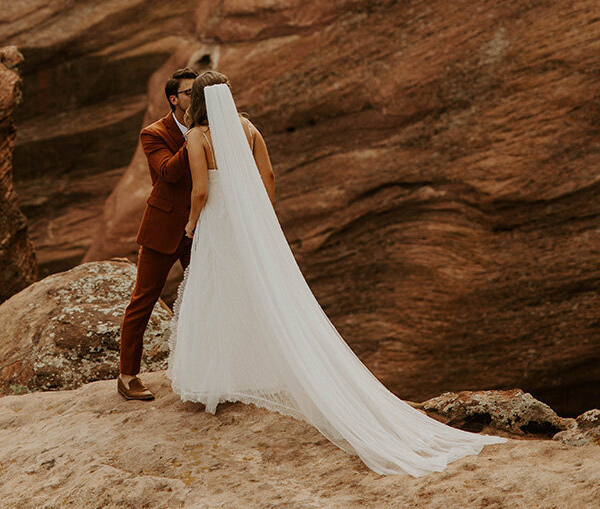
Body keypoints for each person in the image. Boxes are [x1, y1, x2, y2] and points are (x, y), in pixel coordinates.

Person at [168, 71, 508, 477]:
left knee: (219, 291)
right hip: (252, 222)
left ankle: (220, 376)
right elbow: (269, 176)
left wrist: (191, 225)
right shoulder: (248, 127)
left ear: (200, 101)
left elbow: (201, 191)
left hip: (221, 222)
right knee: (265, 292)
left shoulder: (197, 138)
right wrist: (260, 215)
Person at [118, 67, 198, 401]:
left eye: (198, 92)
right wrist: (195, 137)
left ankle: (202, 369)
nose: (194, 98)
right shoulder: (154, 133)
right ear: (173, 99)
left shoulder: (208, 130)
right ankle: (127, 376)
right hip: (163, 228)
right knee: (144, 299)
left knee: (207, 296)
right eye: (189, 93)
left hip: (199, 228)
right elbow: (168, 173)